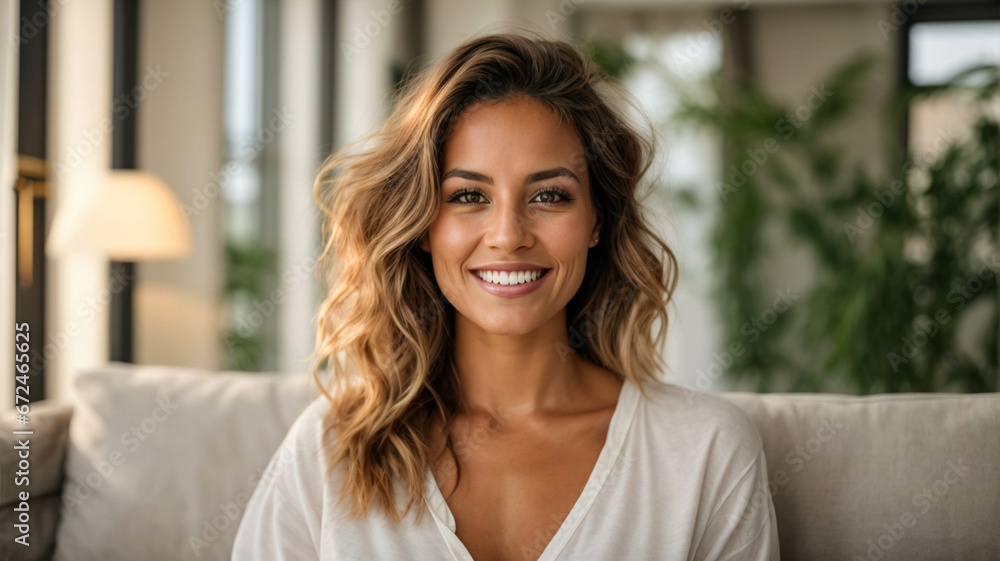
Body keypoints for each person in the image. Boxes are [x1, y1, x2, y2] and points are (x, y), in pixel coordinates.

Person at [232, 31, 780, 561]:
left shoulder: (704, 451)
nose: (508, 234)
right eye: (469, 195)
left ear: (597, 220)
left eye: (549, 195)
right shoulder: (332, 448)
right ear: (423, 224)